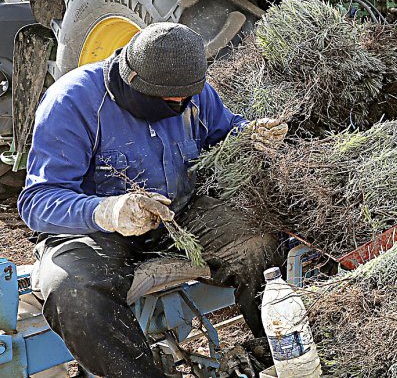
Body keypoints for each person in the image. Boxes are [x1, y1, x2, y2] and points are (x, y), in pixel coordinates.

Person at [18, 23, 288, 378]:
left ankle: (276, 356)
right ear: (132, 80)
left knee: (258, 243)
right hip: (93, 230)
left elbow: (223, 130)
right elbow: (37, 201)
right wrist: (107, 211)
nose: (181, 105)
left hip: (180, 215)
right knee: (71, 290)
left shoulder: (191, 93)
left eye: (188, 96)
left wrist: (248, 135)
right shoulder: (73, 101)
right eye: (169, 100)